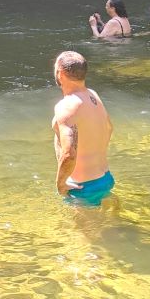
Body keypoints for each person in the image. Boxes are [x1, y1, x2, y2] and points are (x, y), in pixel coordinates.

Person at [51, 51, 114, 206]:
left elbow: (69, 153)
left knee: (85, 231)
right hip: (105, 178)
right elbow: (109, 128)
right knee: (109, 226)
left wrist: (61, 184)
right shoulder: (92, 95)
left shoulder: (66, 107)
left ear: (60, 73)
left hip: (83, 187)